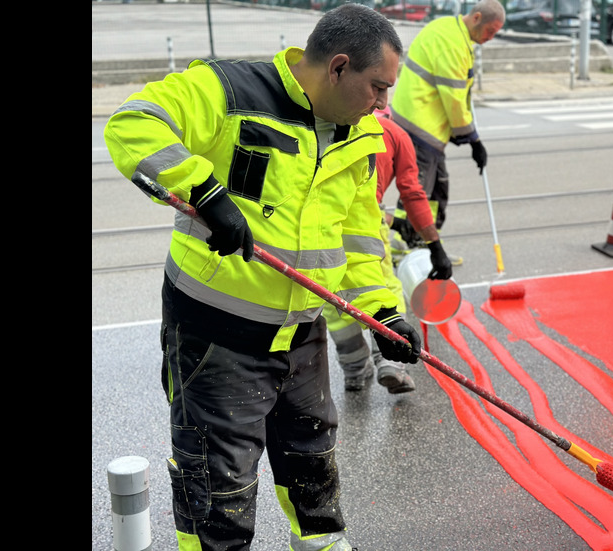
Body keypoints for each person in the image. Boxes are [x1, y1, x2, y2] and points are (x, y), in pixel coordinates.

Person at [102, 5, 421, 550]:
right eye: (378, 87)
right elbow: (133, 122)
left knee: (312, 465)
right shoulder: (226, 89)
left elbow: (360, 237)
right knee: (217, 488)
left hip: (301, 334)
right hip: (216, 335)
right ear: (338, 67)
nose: (384, 104)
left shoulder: (359, 133)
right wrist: (202, 190)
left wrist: (384, 312)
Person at [323, 109, 453, 394]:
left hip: (324, 223)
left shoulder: (330, 121)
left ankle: (355, 369)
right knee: (385, 287)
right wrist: (435, 245)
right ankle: (390, 363)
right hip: (365, 225)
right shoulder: (395, 134)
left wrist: (396, 221)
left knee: (332, 296)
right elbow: (411, 193)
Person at [389, 0, 506, 255]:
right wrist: (472, 139)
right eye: (490, 31)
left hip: (425, 125)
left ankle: (426, 245)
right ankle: (404, 246)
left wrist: (462, 134)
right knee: (417, 191)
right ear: (476, 18)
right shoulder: (452, 43)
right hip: (419, 127)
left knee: (436, 189)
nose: (491, 37)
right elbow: (453, 99)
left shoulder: (452, 31)